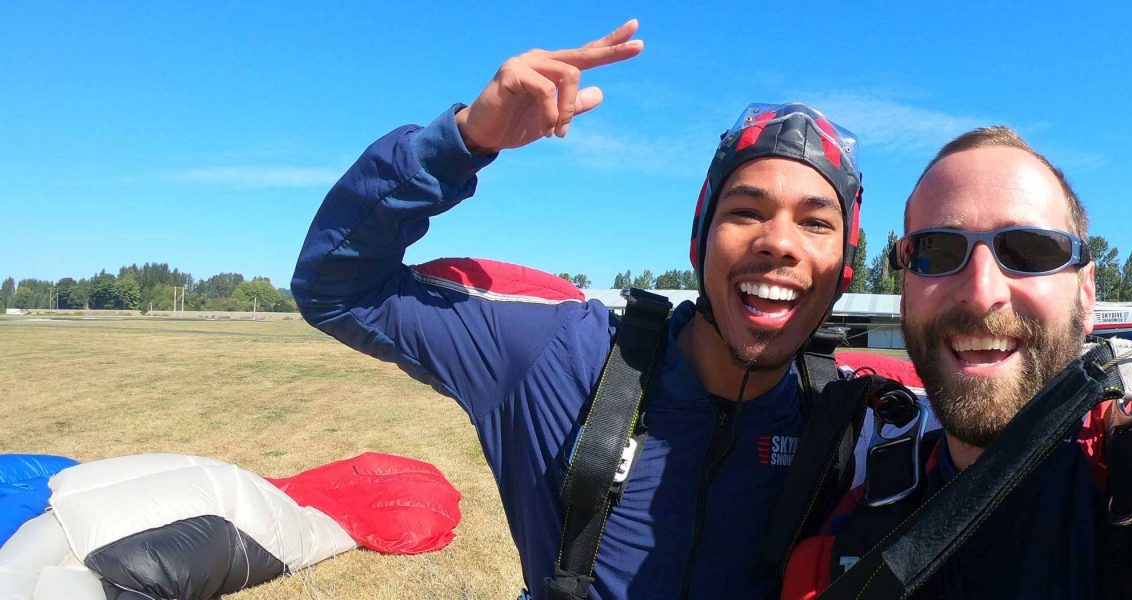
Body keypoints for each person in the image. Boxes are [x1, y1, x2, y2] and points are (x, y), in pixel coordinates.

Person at [291, 20, 865, 600]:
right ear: (700, 239)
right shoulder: (558, 357)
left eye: (816, 222)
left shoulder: (852, 420)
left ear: (844, 267)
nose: (779, 242)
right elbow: (338, 289)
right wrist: (460, 143)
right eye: (745, 211)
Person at [782, 126, 1132, 599]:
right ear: (904, 292)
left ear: (1086, 294)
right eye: (936, 251)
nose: (982, 294)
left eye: (1030, 251)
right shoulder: (847, 535)